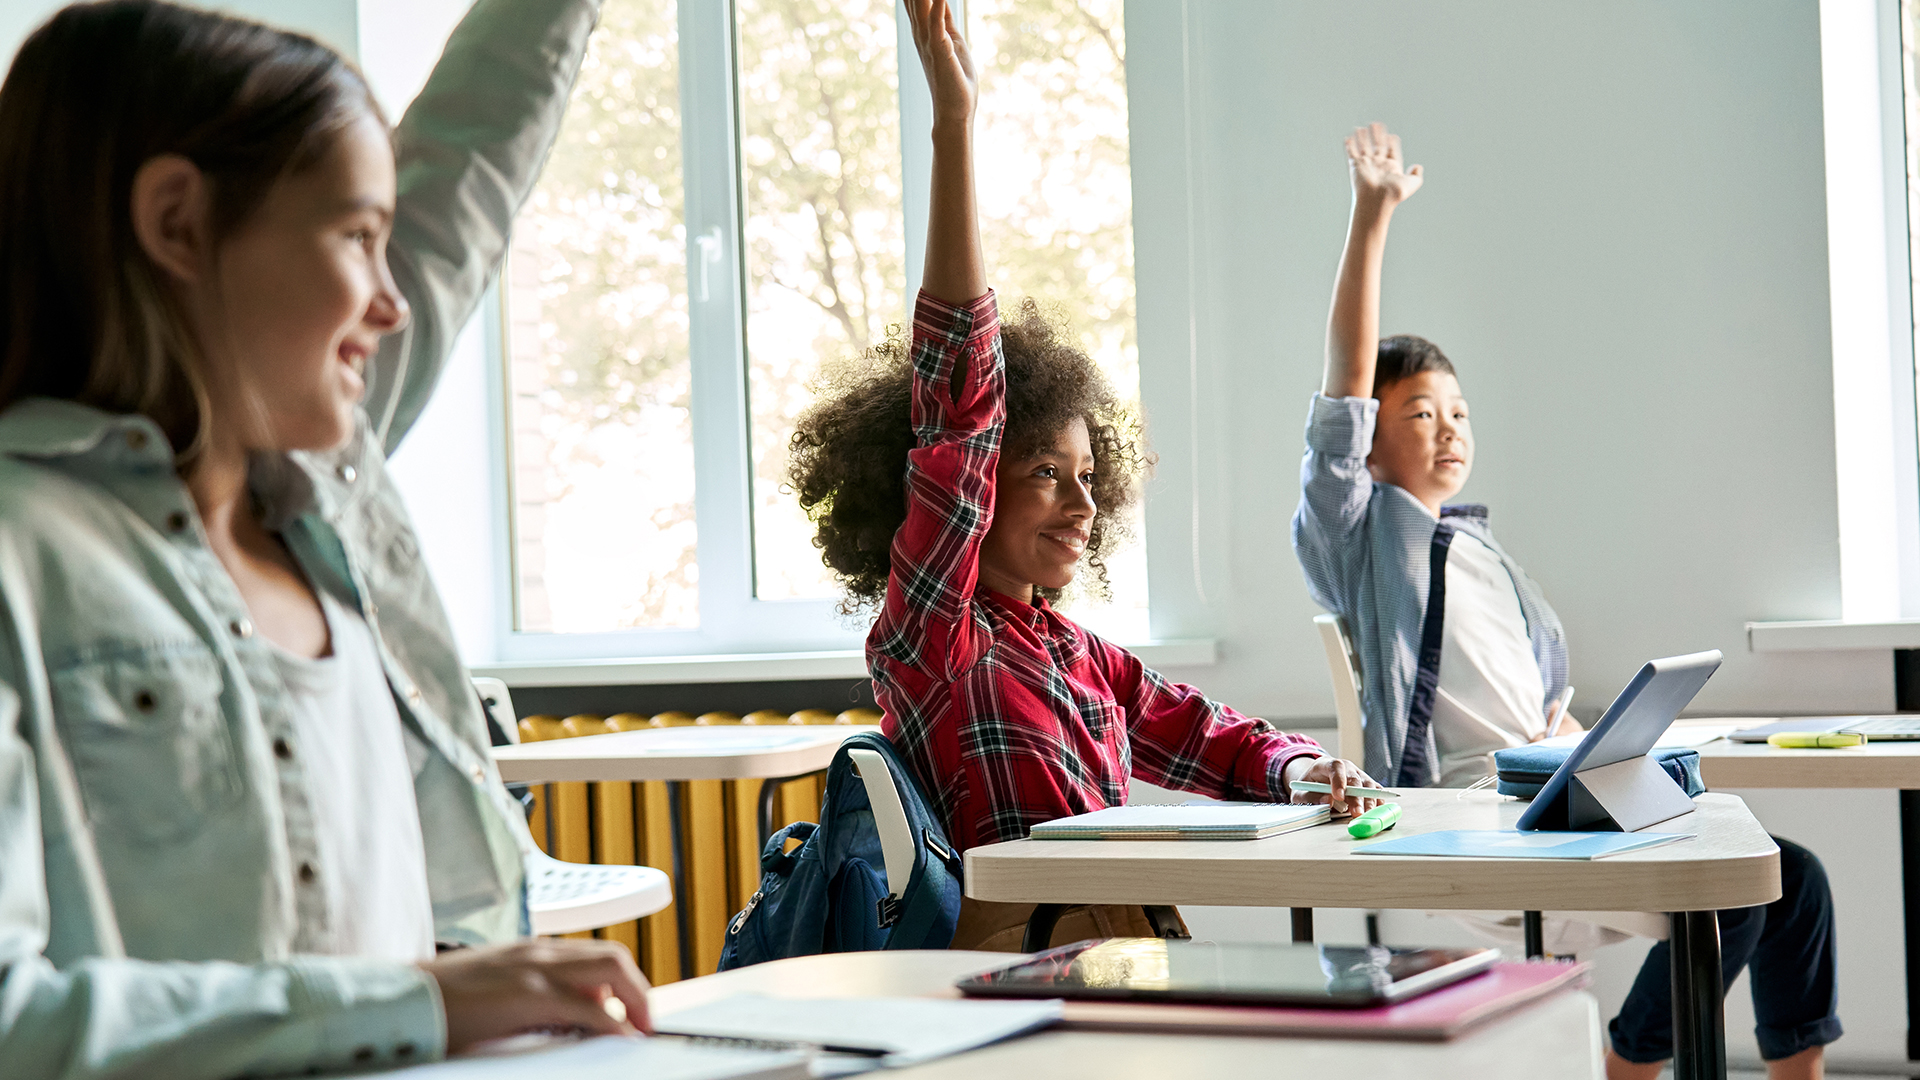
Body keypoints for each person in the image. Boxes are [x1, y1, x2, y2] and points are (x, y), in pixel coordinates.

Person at [0, 2, 653, 1075]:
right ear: (178, 223)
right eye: (357, 236)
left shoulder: (328, 497)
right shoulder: (24, 548)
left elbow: (470, 179)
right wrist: (412, 1003)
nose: (393, 302)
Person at [786, 0, 1382, 954]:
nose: (1083, 501)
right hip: (1035, 979)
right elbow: (961, 414)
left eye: (1089, 475)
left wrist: (1302, 770)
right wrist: (954, 128)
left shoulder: (1073, 652)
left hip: (1126, 955)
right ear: (979, 492)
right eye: (1046, 473)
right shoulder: (937, 640)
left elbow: (1208, 733)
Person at [1292, 122, 1840, 1080]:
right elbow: (1339, 396)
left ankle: (1686, 1063)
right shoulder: (1362, 534)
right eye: (1418, 412)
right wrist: (1371, 218)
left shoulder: (1492, 560)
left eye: (1459, 411)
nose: (1448, 427)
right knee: (1743, 889)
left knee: (1790, 879)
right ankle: (1631, 1065)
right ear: (1369, 446)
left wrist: (1614, 753)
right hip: (1463, 813)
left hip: (1547, 796)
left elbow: (1545, 710)